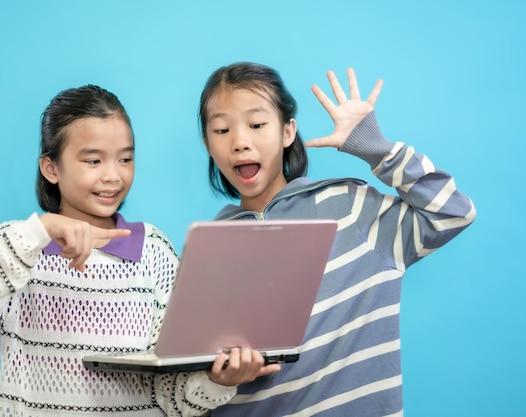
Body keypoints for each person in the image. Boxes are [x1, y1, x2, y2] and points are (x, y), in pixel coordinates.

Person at [0, 84, 279, 417]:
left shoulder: (154, 252)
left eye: (125, 158)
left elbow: (173, 397)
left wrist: (217, 380)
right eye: (93, 161)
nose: (113, 176)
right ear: (51, 168)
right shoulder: (18, 244)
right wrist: (38, 232)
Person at [197, 62, 477, 416]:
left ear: (287, 132)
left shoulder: (349, 207)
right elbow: (196, 378)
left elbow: (452, 212)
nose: (240, 142)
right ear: (207, 144)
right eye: (222, 130)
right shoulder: (207, 246)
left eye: (256, 124)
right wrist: (219, 378)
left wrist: (375, 148)